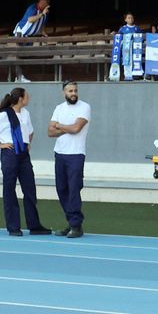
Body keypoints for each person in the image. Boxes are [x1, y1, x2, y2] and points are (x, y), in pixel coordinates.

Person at [0, 87, 50, 236]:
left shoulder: (26, 113)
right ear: (20, 98)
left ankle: (34, 225)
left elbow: (30, 132)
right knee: (10, 190)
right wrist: (0, 144)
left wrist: (28, 144)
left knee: (30, 189)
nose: (29, 99)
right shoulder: (5, 115)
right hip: (10, 154)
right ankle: (13, 227)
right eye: (27, 96)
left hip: (23, 154)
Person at [47, 81, 91, 238]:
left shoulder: (84, 107)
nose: (73, 93)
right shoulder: (59, 108)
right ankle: (72, 223)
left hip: (76, 155)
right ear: (63, 92)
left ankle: (76, 225)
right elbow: (50, 132)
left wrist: (59, 125)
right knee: (62, 190)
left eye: (75, 90)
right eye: (70, 90)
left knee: (74, 189)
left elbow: (76, 128)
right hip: (60, 154)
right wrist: (66, 127)